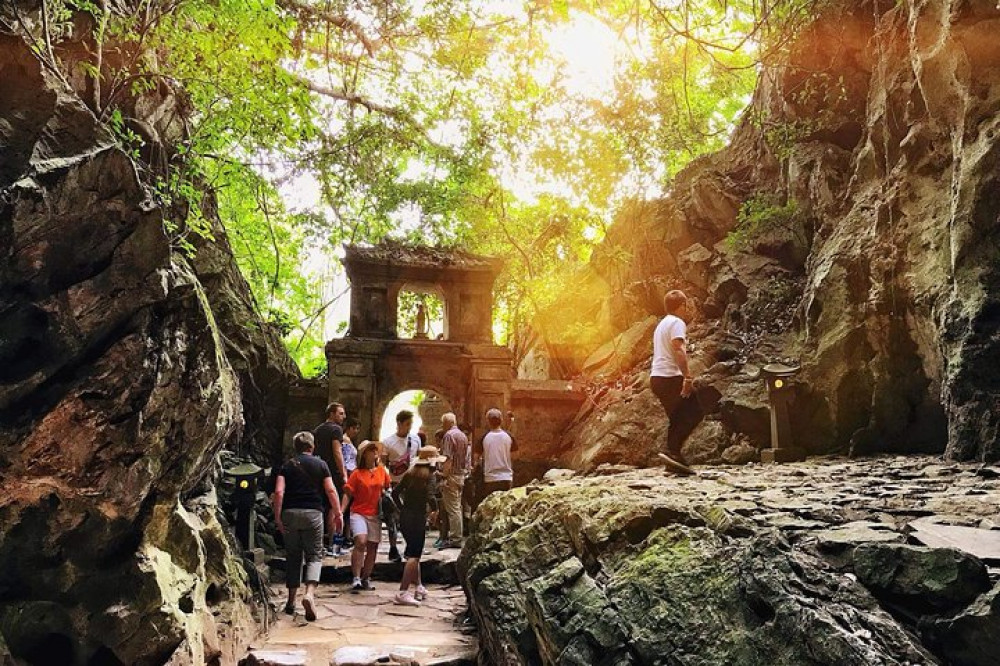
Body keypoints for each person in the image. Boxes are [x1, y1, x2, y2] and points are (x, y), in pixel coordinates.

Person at [272, 432, 344, 622]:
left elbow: (279, 492)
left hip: (290, 514)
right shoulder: (321, 465)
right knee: (314, 555)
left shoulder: (287, 465)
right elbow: (330, 489)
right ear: (312, 447)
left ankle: (290, 601)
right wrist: (338, 513)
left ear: (295, 447)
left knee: (293, 556)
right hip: (313, 514)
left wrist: (278, 517)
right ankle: (309, 594)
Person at [650, 290, 700, 476]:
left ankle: (673, 457)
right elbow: (678, 349)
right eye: (686, 305)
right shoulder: (677, 323)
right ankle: (672, 452)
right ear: (682, 306)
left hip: (657, 377)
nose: (687, 309)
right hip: (669, 377)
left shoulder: (662, 324)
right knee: (695, 410)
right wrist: (687, 377)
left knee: (677, 416)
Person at [391, 446, 446, 606]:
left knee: (415, 553)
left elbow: (395, 493)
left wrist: (401, 508)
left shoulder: (410, 473)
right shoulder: (430, 476)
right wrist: (435, 510)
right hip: (417, 518)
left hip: (406, 517)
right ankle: (403, 591)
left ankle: (419, 586)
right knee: (414, 555)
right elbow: (430, 496)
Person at [342, 441, 391, 592]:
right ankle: (356, 577)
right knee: (361, 542)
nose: (374, 452)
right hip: (359, 512)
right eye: (371, 450)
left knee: (373, 546)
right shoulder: (357, 474)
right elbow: (348, 494)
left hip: (375, 514)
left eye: (375, 450)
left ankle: (366, 577)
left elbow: (388, 489)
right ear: (364, 455)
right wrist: (340, 511)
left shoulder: (382, 471)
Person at [382, 410, 421, 562]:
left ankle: (409, 547)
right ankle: (393, 548)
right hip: (395, 482)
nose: (409, 427)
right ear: (399, 424)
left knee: (409, 518)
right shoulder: (388, 442)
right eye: (407, 424)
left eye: (411, 424)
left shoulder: (416, 439)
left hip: (411, 484)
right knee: (392, 517)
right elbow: (383, 464)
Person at [314, 403, 349, 554]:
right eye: (341, 413)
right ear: (332, 414)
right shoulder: (336, 429)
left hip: (319, 471)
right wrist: (344, 474)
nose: (344, 416)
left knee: (322, 507)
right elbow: (337, 452)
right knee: (335, 509)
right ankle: (333, 545)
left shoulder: (318, 430)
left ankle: (319, 544)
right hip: (333, 473)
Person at [437, 412, 468, 548]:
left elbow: (447, 458)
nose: (442, 427)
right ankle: (456, 536)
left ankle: (455, 538)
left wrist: (443, 474)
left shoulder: (449, 436)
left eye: (443, 424)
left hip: (451, 476)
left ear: (448, 423)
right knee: (457, 506)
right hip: (460, 475)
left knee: (453, 509)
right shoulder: (463, 436)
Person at [474, 408, 518, 505]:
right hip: (506, 476)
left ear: (488, 421)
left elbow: (476, 458)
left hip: (490, 478)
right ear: (501, 420)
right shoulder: (509, 436)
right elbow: (515, 456)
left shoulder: (484, 438)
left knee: (491, 506)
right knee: (505, 506)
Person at [340, 417, 360, 548]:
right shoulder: (346, 441)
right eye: (356, 428)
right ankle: (344, 536)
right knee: (347, 508)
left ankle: (347, 535)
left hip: (351, 475)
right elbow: (347, 461)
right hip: (349, 475)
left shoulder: (348, 440)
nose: (357, 431)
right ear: (350, 428)